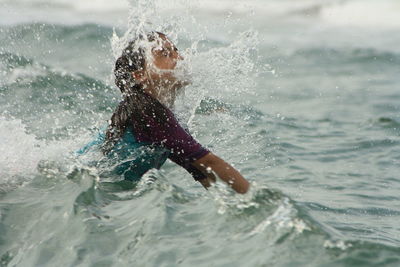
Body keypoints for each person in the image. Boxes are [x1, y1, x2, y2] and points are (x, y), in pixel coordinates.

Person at [85, 31, 249, 194]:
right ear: (140, 75)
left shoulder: (162, 113)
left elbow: (200, 169)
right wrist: (255, 199)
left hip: (101, 188)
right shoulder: (148, 112)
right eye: (165, 54)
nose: (179, 59)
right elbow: (209, 163)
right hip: (90, 181)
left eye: (176, 51)